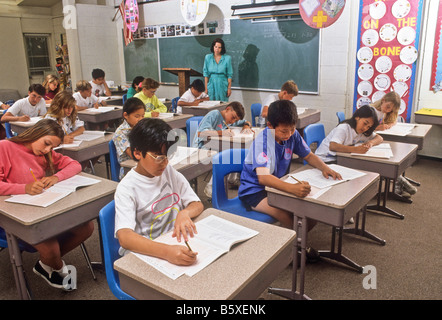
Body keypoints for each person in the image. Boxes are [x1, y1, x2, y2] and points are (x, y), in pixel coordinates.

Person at [0, 119, 93, 290]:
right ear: (36, 133)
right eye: (46, 144)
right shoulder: (4, 147)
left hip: (42, 208)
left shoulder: (44, 153)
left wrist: (56, 177)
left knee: (86, 227)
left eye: (51, 148)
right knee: (51, 248)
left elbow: (75, 165)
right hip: (14, 214)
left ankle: (44, 264)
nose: (47, 150)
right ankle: (57, 266)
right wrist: (24, 188)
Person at [114, 118, 204, 266]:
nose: (165, 162)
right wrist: (166, 252)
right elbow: (125, 237)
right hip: (149, 252)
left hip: (173, 241)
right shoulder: (127, 188)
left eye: (168, 156)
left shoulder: (168, 171)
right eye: (159, 157)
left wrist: (184, 213)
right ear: (137, 153)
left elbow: (197, 204)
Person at [192, 101, 253, 197]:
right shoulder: (214, 114)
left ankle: (232, 179)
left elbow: (246, 121)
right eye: (233, 117)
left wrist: (246, 126)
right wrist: (221, 133)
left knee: (234, 151)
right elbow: (201, 133)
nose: (233, 122)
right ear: (227, 109)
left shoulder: (230, 119)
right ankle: (210, 186)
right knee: (225, 156)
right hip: (201, 148)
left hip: (215, 146)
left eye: (235, 120)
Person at [370, 91, 417, 197]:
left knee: (392, 155)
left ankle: (398, 182)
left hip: (376, 140)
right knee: (386, 160)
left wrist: (390, 123)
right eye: (387, 107)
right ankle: (400, 181)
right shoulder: (370, 110)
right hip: (368, 140)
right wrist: (378, 128)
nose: (388, 110)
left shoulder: (385, 111)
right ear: (383, 101)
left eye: (390, 109)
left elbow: (394, 121)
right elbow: (364, 128)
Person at [314, 105, 383, 163]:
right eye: (365, 123)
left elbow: (379, 138)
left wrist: (370, 143)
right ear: (357, 117)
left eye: (369, 127)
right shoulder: (344, 128)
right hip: (323, 160)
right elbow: (333, 146)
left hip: (338, 159)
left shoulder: (361, 132)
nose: (365, 128)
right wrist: (356, 149)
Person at [112, 97, 146, 180]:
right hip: (129, 171)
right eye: (137, 116)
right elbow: (133, 154)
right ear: (126, 115)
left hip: (143, 164)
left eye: (143, 116)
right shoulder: (120, 134)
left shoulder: (140, 127)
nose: (141, 119)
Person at [203, 38, 233, 102]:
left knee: (222, 104)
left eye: (219, 47)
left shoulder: (227, 58)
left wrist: (229, 88)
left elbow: (229, 75)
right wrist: (206, 88)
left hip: (222, 83)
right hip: (211, 84)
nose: (217, 49)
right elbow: (206, 74)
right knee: (211, 104)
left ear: (222, 48)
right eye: (216, 47)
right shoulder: (208, 57)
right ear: (213, 47)